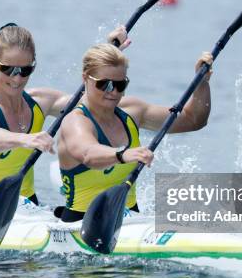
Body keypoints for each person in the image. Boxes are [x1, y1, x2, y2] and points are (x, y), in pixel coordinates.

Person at [0, 23, 129, 211]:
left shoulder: (41, 101)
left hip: (27, 208)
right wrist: (26, 139)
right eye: (9, 69)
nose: (17, 79)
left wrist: (108, 58)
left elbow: (94, 99)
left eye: (25, 70)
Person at [56, 42, 213, 221]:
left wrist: (202, 83)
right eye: (104, 85)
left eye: (120, 84)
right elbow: (88, 154)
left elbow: (193, 120)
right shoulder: (75, 121)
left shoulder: (132, 111)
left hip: (132, 221)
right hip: (82, 222)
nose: (113, 91)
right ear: (85, 79)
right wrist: (124, 154)